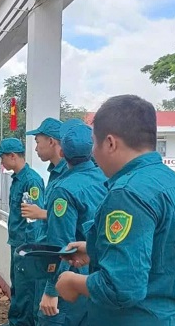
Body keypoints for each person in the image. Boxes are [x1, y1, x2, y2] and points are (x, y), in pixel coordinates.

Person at [55, 95, 175, 326]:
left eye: (95, 143)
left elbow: (122, 288)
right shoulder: (170, 181)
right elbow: (161, 252)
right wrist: (95, 249)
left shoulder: (127, 194)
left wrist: (73, 282)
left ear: (110, 143)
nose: (93, 152)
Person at [38, 123, 106, 326]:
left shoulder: (64, 190)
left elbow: (61, 244)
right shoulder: (105, 179)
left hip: (70, 277)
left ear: (61, 150)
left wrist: (51, 291)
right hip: (96, 278)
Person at [0, 138, 45, 326]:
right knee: (18, 285)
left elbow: (33, 218)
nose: (1, 163)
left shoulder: (30, 181)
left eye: (2, 158)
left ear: (12, 156)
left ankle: (22, 323)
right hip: (17, 241)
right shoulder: (18, 178)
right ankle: (16, 320)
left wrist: (28, 248)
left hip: (26, 244)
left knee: (26, 289)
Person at [22, 118, 67, 231]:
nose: (36, 148)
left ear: (51, 141)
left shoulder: (68, 174)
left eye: (37, 142)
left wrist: (41, 213)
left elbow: (70, 217)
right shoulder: (55, 172)